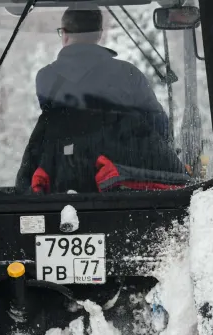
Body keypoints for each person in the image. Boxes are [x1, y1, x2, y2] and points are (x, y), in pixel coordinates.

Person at [16, 6, 185, 194]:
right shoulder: (128, 74)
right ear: (99, 35)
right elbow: (158, 125)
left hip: (63, 184)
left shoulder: (46, 78)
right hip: (125, 186)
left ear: (64, 34)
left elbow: (56, 127)